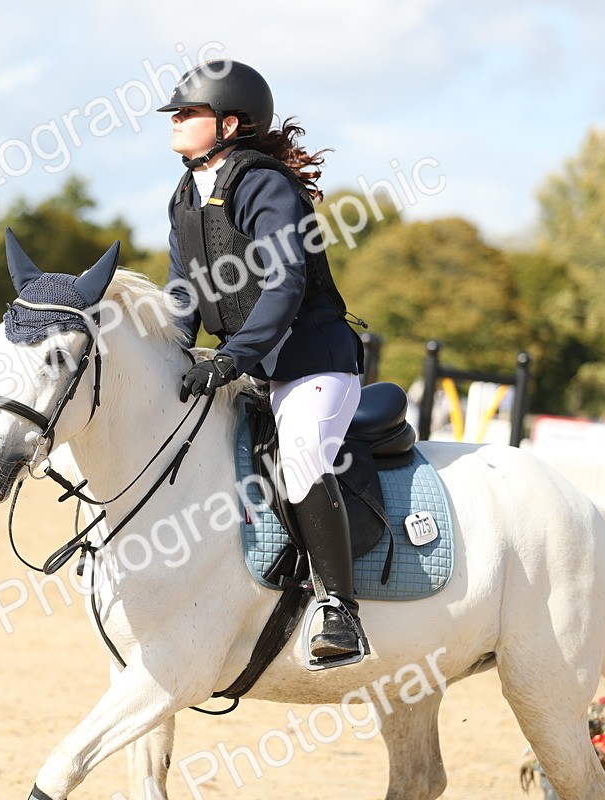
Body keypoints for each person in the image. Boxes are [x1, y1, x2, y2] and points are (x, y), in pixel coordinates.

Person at [159, 60, 367, 660]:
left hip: (312, 363)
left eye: (188, 112)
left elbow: (285, 284)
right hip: (251, 365)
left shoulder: (264, 185)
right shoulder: (185, 198)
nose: (175, 120)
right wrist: (170, 352)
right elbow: (182, 296)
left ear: (229, 124)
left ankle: (340, 611)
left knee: (300, 459)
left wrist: (229, 358)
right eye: (176, 112)